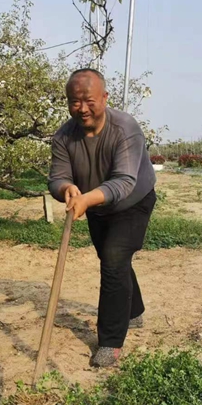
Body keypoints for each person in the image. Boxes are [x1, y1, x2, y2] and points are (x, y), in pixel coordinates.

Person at [48, 67, 157, 367]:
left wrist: (86, 198)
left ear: (105, 98)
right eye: (74, 101)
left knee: (113, 257)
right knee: (113, 261)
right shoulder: (63, 136)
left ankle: (110, 342)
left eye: (89, 101)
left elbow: (124, 181)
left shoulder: (125, 129)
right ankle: (133, 311)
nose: (82, 108)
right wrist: (66, 188)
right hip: (96, 205)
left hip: (133, 202)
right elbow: (56, 177)